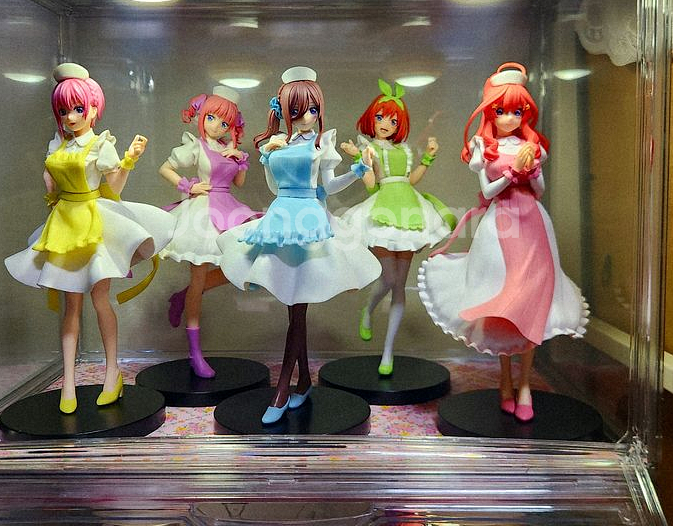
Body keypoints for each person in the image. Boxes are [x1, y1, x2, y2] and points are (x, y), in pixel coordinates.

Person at [417, 62, 588, 422]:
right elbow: (489, 190)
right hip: (500, 226)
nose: (509, 118)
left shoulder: (532, 146)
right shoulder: (483, 146)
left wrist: (533, 171)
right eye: (501, 111)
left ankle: (524, 384)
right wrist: (512, 173)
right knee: (500, 298)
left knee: (532, 300)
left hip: (533, 225)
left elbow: (538, 191)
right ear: (490, 111)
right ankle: (505, 379)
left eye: (517, 111)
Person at [5, 62, 175, 413]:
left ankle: (112, 372)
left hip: (93, 223)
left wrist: (128, 161)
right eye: (64, 110)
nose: (70, 117)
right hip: (64, 224)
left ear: (94, 108)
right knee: (71, 307)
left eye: (78, 109)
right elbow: (51, 187)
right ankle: (68, 382)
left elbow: (113, 189)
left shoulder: (101, 145)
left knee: (100, 300)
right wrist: (51, 193)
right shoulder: (57, 145)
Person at [217, 66, 380, 424]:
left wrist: (357, 170)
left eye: (313, 110)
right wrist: (268, 155)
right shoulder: (279, 142)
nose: (307, 117)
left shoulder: (321, 144)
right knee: (294, 308)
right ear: (284, 112)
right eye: (297, 111)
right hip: (281, 219)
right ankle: (303, 380)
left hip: (309, 222)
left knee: (297, 310)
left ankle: (283, 388)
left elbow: (327, 187)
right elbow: (274, 188)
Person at [340, 79, 455, 375]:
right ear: (372, 118)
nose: (386, 124)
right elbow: (371, 186)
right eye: (381, 117)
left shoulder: (404, 149)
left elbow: (411, 179)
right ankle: (368, 309)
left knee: (400, 285)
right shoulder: (369, 148)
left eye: (393, 120)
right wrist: (359, 159)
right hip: (383, 208)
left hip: (410, 208)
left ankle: (388, 352)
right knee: (390, 278)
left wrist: (428, 156)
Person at [159, 87, 259, 378]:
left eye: (224, 123)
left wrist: (239, 159)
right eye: (212, 118)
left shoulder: (228, 148)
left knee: (245, 263)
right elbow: (166, 168)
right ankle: (195, 353)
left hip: (229, 207)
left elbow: (239, 183)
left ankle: (182, 296)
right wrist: (187, 185)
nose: (216, 126)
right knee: (199, 276)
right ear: (202, 116)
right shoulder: (196, 146)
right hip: (202, 212)